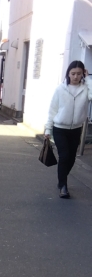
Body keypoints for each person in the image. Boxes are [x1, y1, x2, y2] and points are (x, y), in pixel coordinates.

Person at [44, 60, 92, 198]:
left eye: (79, 73)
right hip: (60, 128)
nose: (75, 76)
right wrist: (48, 129)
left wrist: (88, 79)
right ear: (68, 74)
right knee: (64, 156)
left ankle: (62, 178)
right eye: (73, 73)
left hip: (76, 129)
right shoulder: (60, 89)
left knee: (71, 158)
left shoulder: (85, 88)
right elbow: (52, 110)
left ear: (83, 74)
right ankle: (63, 186)